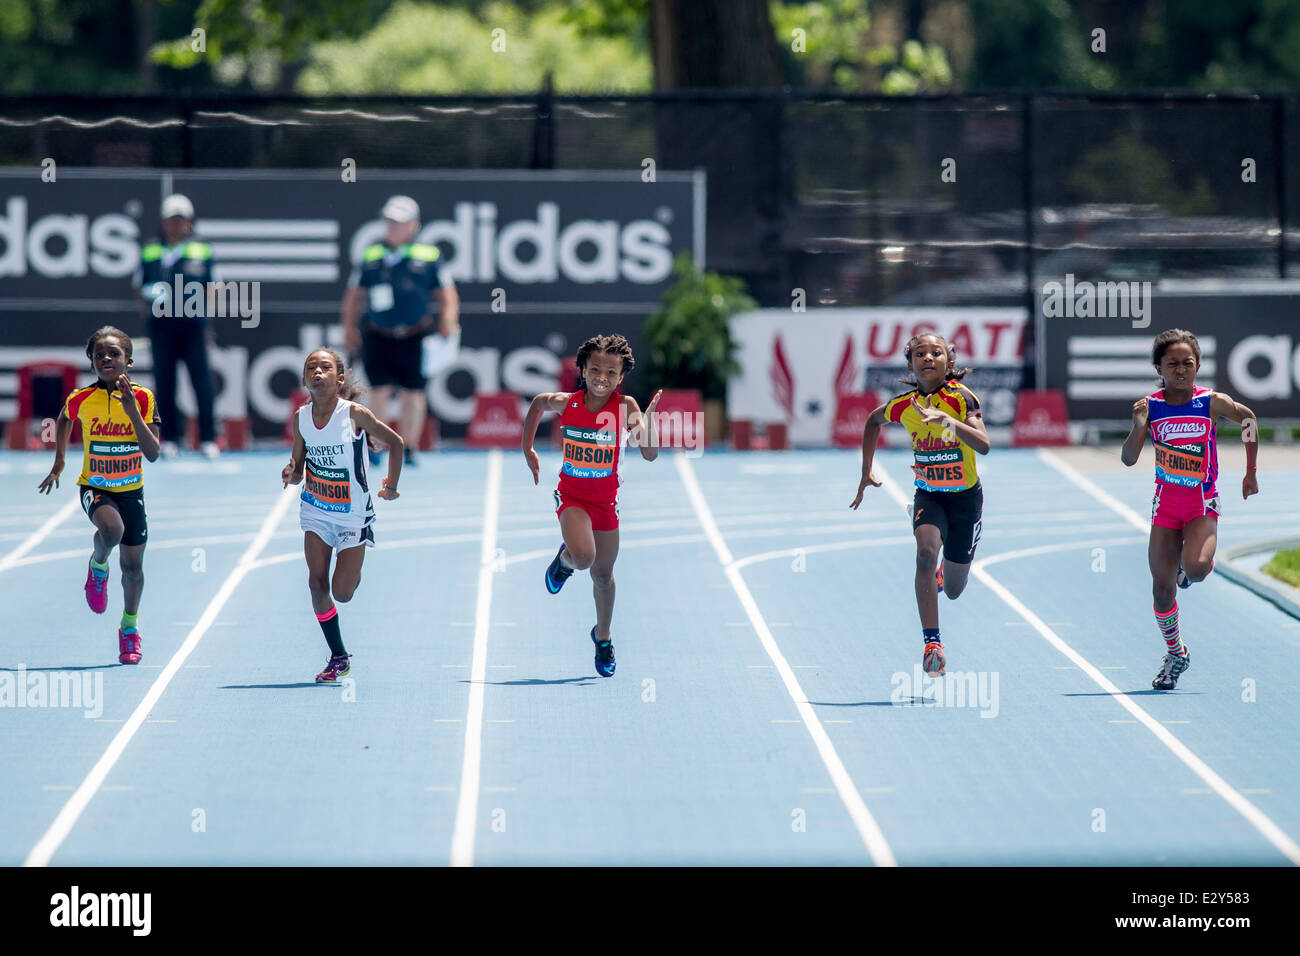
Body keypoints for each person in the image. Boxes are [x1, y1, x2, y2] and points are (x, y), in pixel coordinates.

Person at [1120, 328, 1259, 691]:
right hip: (1165, 509)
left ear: (1197, 366)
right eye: (1172, 364)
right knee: (1162, 591)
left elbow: (1248, 419)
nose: (1181, 370)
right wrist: (1138, 427)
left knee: (1196, 570)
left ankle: (1187, 568)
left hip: (1201, 506)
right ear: (1159, 368)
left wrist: (1251, 472)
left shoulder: (1211, 402)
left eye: (1188, 363)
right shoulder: (1150, 407)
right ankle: (1176, 653)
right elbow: (1129, 458)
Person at [521, 334, 662, 677]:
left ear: (620, 378)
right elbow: (538, 403)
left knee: (603, 575)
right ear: (582, 370)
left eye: (610, 372)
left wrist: (649, 421)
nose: (602, 377)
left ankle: (602, 636)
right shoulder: (566, 402)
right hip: (572, 496)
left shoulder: (625, 407)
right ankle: (566, 560)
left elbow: (650, 453)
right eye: (595, 369)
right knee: (584, 558)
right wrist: (528, 447)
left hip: (605, 502)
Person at [850, 332, 990, 677]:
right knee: (925, 554)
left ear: (949, 363)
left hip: (965, 500)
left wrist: (951, 423)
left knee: (954, 590)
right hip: (929, 495)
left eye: (936, 352)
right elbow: (872, 421)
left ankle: (947, 572)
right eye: (920, 353)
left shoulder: (961, 399)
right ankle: (933, 644)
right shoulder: (904, 406)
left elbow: (984, 444)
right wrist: (867, 471)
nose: (928, 357)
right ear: (910, 363)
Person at [37, 327, 161, 665]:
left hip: (131, 491)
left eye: (114, 354)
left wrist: (132, 409)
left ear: (128, 361)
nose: (106, 359)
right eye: (99, 355)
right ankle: (98, 564)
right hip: (95, 487)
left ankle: (129, 629)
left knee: (134, 567)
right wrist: (60, 461)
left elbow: (153, 453)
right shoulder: (81, 398)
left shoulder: (145, 398)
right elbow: (64, 418)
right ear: (91, 363)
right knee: (111, 531)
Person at [283, 349, 405, 684]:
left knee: (342, 593)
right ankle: (338, 656)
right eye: (311, 367)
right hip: (316, 510)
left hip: (353, 515)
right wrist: (291, 472)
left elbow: (396, 443)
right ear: (305, 379)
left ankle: (353, 569)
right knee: (316, 583)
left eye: (325, 367)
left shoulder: (354, 414)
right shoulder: (301, 418)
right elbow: (298, 465)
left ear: (339, 379)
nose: (317, 371)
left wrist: (391, 486)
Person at [340, 195, 459, 468]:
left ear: (414, 225)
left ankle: (411, 447)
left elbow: (447, 294)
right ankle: (376, 447)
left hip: (414, 334)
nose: (392, 227)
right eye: (389, 222)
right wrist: (348, 326)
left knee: (413, 391)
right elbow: (354, 295)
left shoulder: (429, 255)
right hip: (377, 332)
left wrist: (448, 321)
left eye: (399, 222)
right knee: (378, 390)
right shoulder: (372, 254)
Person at [133, 193, 219, 458]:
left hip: (192, 325)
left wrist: (197, 307)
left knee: (201, 382)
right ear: (163, 222)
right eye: (171, 219)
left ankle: (207, 439)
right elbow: (138, 285)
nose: (176, 224)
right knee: (165, 382)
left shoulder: (202, 249)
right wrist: (150, 303)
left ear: (189, 222)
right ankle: (170, 438)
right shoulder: (150, 250)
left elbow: (213, 287)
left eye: (181, 219)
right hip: (161, 327)